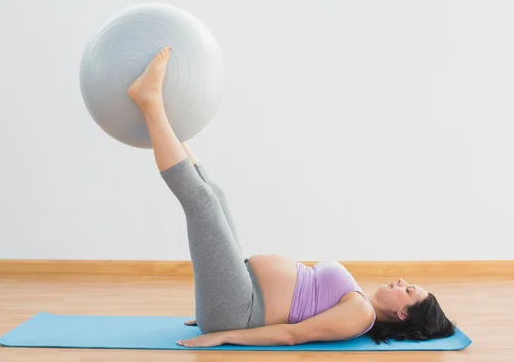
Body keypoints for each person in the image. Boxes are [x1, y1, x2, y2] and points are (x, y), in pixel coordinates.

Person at [127, 46, 456, 348]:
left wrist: (224, 334)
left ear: (403, 315)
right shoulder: (360, 303)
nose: (401, 282)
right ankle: (168, 120)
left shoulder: (360, 315)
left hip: (241, 309)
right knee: (217, 196)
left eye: (408, 291)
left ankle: (150, 102)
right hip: (237, 295)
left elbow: (293, 334)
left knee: (204, 205)